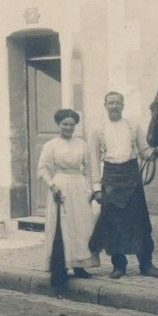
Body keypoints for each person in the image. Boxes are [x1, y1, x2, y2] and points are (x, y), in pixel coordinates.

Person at [88, 91, 158, 279]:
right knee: (114, 225)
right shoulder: (97, 129)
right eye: (110, 103)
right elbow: (93, 160)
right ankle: (119, 266)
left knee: (140, 223)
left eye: (117, 103)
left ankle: (146, 265)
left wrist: (154, 152)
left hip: (132, 178)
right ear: (105, 106)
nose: (114, 106)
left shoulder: (133, 126)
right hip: (111, 179)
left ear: (123, 105)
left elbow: (144, 151)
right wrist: (96, 188)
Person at [37, 109, 98, 294]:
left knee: (81, 226)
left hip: (79, 187)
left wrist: (90, 189)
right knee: (62, 227)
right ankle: (61, 267)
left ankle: (79, 265)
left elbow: (88, 169)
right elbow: (43, 170)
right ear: (58, 125)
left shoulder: (82, 144)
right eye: (65, 124)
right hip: (60, 187)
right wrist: (52, 185)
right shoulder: (51, 145)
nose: (68, 127)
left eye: (71, 125)